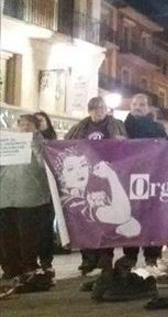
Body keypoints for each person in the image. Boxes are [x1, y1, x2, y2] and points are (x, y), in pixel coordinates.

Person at [66, 96, 127, 275]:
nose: (98, 111)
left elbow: (124, 145)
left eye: (101, 108)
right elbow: (65, 145)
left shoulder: (115, 124)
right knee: (85, 218)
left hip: (105, 177)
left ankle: (105, 256)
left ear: (106, 109)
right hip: (85, 177)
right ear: (89, 110)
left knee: (105, 217)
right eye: (94, 108)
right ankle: (88, 258)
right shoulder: (80, 127)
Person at [0, 115, 53, 286]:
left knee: (27, 238)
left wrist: (34, 144)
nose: (23, 128)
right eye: (20, 124)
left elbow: (44, 166)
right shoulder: (10, 142)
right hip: (7, 197)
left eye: (28, 125)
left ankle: (29, 269)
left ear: (36, 128)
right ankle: (10, 269)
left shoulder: (41, 143)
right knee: (7, 237)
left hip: (30, 198)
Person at [121, 94, 167, 269]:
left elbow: (164, 149)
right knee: (130, 217)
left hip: (152, 177)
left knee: (152, 218)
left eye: (142, 104)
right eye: (135, 103)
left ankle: (152, 257)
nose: (138, 107)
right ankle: (130, 257)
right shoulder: (122, 127)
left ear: (148, 108)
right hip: (128, 178)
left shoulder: (157, 128)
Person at [32, 111, 57, 275]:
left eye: (41, 120)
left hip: (48, 192)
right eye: (36, 121)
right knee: (31, 229)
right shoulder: (25, 141)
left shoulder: (53, 143)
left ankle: (46, 261)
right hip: (31, 191)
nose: (39, 123)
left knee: (45, 228)